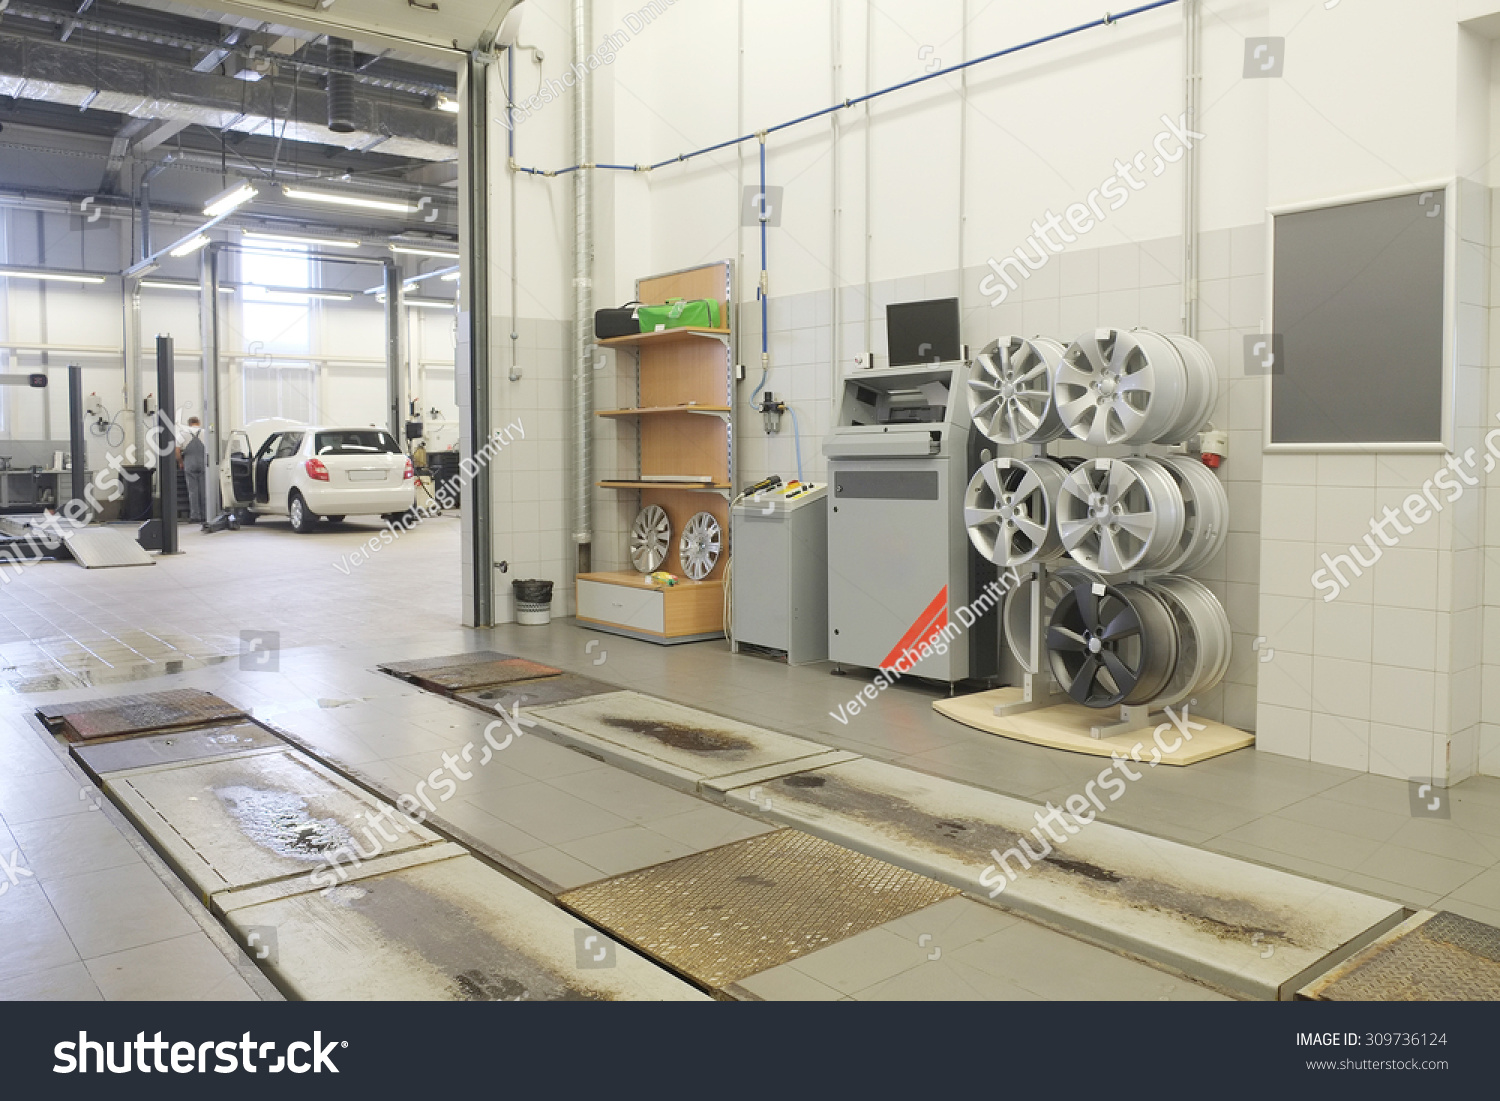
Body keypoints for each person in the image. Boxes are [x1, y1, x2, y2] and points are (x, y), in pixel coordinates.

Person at [177, 416, 207, 524]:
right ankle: (205, 515)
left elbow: (176, 449)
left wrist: (180, 462)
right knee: (204, 490)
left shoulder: (183, 433)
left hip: (189, 463)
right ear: (198, 423)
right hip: (204, 463)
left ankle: (195, 516)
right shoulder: (205, 432)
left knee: (193, 491)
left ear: (189, 424)